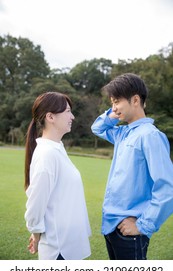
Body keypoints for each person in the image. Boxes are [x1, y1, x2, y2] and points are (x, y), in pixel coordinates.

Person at [91, 73, 173, 260]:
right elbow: (97, 128)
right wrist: (115, 110)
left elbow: (168, 187)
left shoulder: (150, 136)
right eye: (112, 102)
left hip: (131, 230)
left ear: (135, 100)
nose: (113, 108)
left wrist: (142, 225)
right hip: (111, 226)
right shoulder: (122, 133)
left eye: (117, 101)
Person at [24, 92, 91, 260]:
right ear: (50, 117)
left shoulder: (57, 149)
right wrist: (36, 232)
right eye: (68, 111)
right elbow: (35, 202)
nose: (72, 116)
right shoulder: (47, 154)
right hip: (59, 250)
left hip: (68, 246)